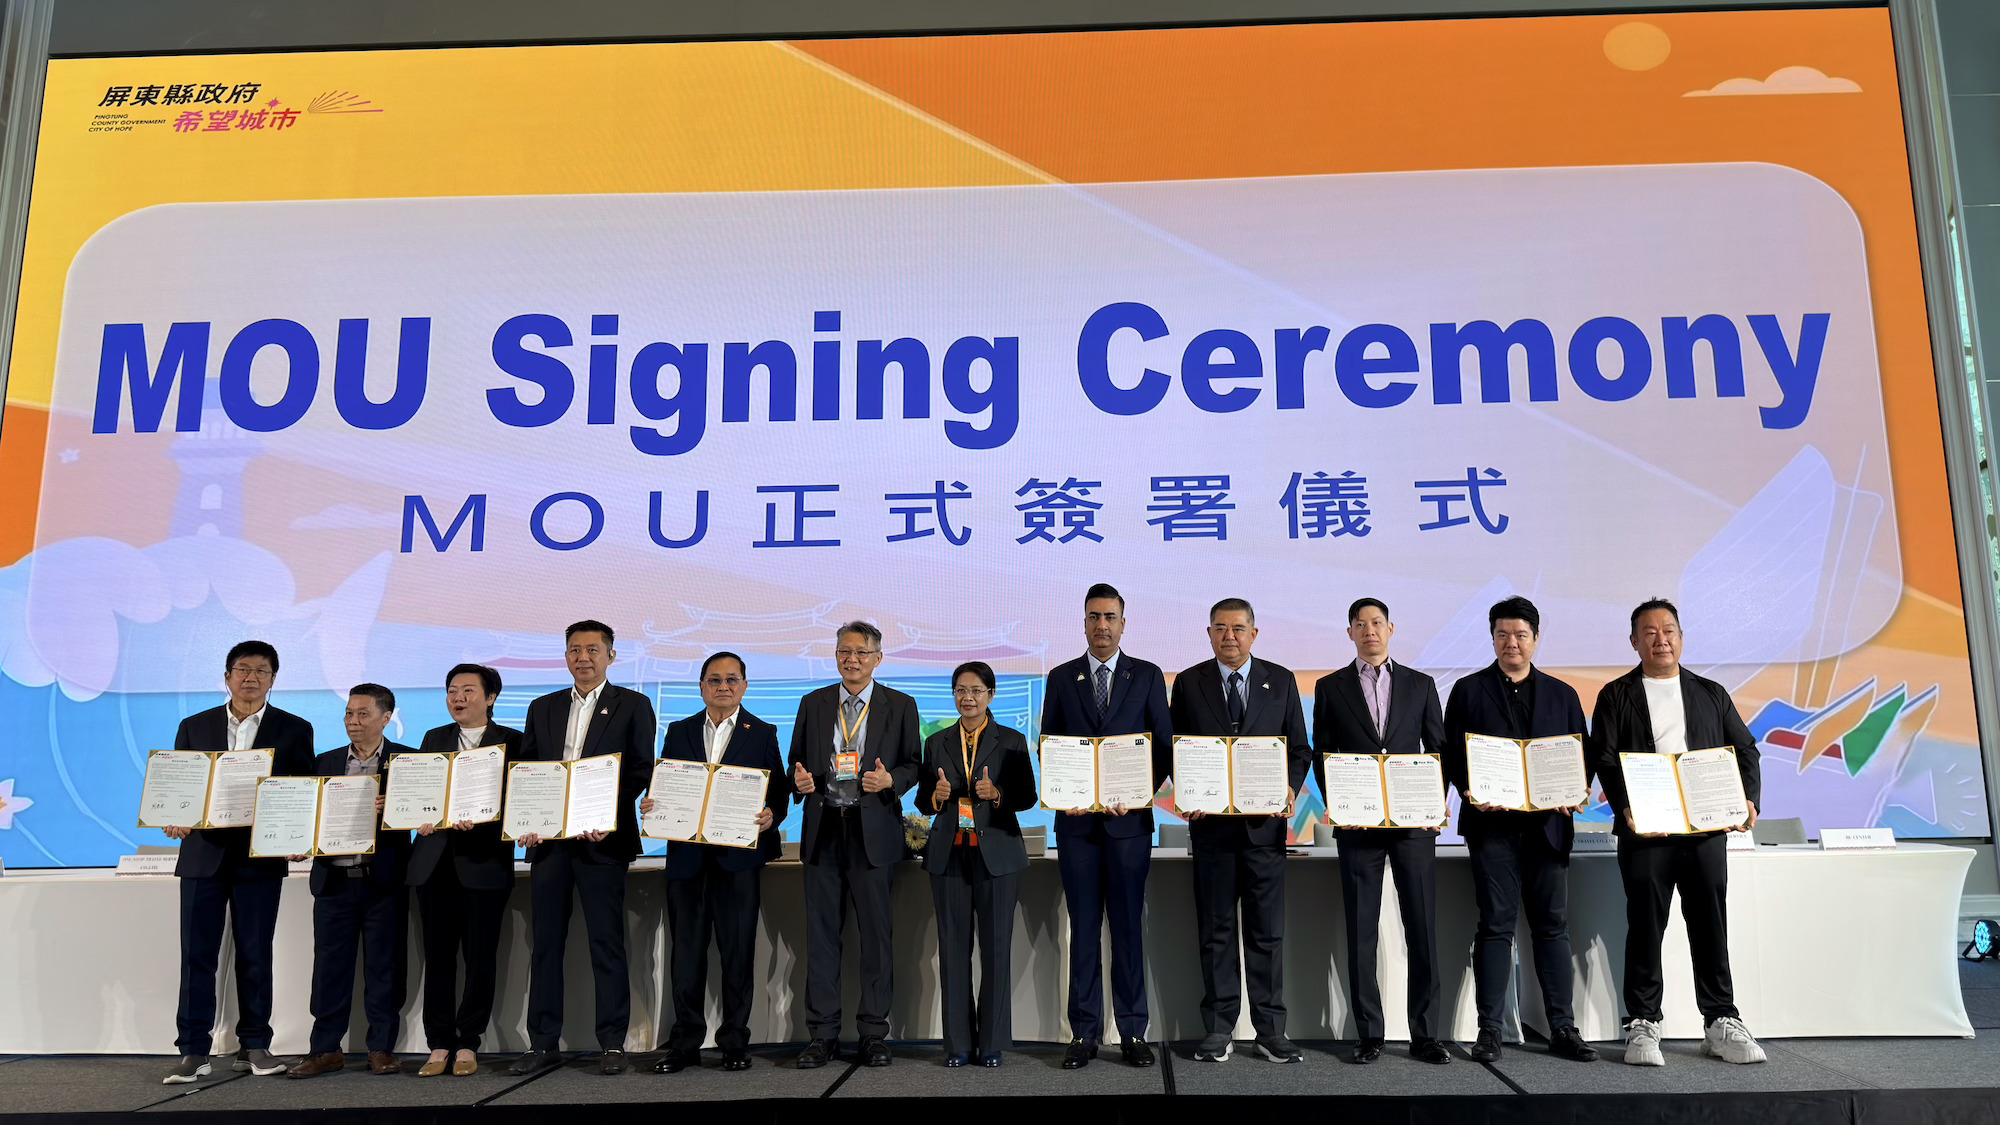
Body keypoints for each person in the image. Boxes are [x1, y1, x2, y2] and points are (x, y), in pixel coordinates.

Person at [1587, 598, 1765, 1067]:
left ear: (1681, 638)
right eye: (1649, 632)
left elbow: (1745, 749)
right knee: (1646, 926)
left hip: (1705, 832)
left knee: (1710, 925)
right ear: (1634, 642)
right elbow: (1604, 757)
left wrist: (1748, 799)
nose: (1660, 640)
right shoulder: (1615, 695)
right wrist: (1626, 806)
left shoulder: (1710, 692)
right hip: (1646, 832)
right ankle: (1643, 1022)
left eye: (1668, 631)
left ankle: (1720, 1020)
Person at [1440, 597, 1596, 1064]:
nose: (1512, 643)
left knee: (1552, 927)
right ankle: (1490, 1029)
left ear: (1536, 639)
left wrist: (1576, 789)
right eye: (1503, 634)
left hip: (1549, 828)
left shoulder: (1562, 694)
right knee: (1495, 926)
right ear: (1492, 638)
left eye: (1521, 635)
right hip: (1493, 829)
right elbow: (1451, 755)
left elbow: (1580, 755)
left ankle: (1562, 1028)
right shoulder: (1468, 690)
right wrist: (1469, 789)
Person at [161, 641, 316, 1085]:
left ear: (273, 679)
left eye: (261, 670)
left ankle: (255, 1045)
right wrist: (173, 814)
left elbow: (302, 790)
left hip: (259, 858)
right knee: (197, 956)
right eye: (243, 669)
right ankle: (194, 1050)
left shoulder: (294, 728)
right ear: (227, 676)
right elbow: (179, 785)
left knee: (255, 954)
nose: (251, 677)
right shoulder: (194, 725)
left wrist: (298, 837)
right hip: (202, 857)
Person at [509, 620, 659, 1077]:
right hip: (550, 846)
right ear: (566, 656)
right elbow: (528, 769)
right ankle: (542, 1044)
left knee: (606, 943)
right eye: (575, 649)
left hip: (602, 842)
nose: (583, 657)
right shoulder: (543, 707)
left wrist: (604, 815)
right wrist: (527, 820)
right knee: (545, 944)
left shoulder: (633, 705)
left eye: (593, 649)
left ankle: (612, 1043)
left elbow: (640, 769)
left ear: (611, 656)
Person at [1167, 597, 1311, 1064]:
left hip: (1264, 831)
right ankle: (1219, 1029)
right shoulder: (1189, 682)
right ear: (1209, 633)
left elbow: (1299, 749)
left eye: (1238, 628)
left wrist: (1290, 787)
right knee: (1216, 933)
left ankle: (1270, 1030)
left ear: (1254, 633)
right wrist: (1186, 791)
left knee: (1266, 935)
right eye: (1220, 628)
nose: (1229, 636)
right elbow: (1175, 748)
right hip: (1211, 831)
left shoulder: (1281, 680)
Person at [1312, 598, 1451, 1066]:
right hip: (1359, 825)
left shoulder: (1420, 684)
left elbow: (1438, 748)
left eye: (1376, 623)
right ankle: (1370, 1033)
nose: (1369, 630)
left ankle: (1426, 1034)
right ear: (1349, 632)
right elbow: (1323, 753)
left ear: (1391, 628)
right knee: (1361, 931)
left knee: (1422, 928)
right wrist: (1339, 804)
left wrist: (1434, 801)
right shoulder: (1330, 687)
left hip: (1414, 826)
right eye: (1360, 624)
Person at [1039, 582, 1171, 1069]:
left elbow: (1163, 748)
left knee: (1128, 929)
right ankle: (1084, 1032)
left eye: (1110, 617)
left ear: (1123, 623)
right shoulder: (1061, 677)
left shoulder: (1147, 675)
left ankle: (1133, 1031)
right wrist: (1064, 793)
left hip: (1128, 827)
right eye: (1094, 617)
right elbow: (1050, 745)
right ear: (1084, 623)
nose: (1102, 625)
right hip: (1076, 829)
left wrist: (1137, 793)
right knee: (1084, 929)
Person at [639, 652, 788, 1074]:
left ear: (744, 686)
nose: (723, 686)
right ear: (702, 686)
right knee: (686, 954)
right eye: (714, 680)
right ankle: (685, 1043)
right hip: (687, 861)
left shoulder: (762, 732)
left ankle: (735, 1041)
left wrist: (771, 815)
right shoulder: (679, 729)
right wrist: (652, 803)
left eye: (731, 680)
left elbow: (777, 791)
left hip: (738, 861)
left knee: (738, 954)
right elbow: (664, 785)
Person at [788, 620, 921, 1069]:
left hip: (873, 834)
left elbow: (913, 764)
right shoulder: (814, 702)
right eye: (845, 651)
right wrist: (799, 779)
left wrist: (891, 781)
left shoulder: (900, 705)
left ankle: (873, 1033)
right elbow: (795, 761)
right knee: (822, 938)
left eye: (862, 652)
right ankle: (822, 1035)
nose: (852, 659)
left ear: (877, 659)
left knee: (876, 939)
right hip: (824, 829)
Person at [290, 685, 414, 1078]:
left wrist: (396, 808)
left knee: (385, 967)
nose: (353, 722)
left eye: (363, 714)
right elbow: (306, 815)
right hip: (334, 882)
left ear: (386, 718)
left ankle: (381, 1048)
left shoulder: (408, 762)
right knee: (329, 969)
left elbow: (426, 815)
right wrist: (298, 843)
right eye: (348, 713)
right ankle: (325, 1049)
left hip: (383, 882)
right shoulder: (324, 762)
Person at [918, 661, 1037, 1067]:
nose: (967, 698)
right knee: (952, 951)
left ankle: (991, 1042)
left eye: (976, 691)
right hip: (949, 854)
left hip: (998, 855)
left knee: (996, 949)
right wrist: (935, 796)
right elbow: (922, 800)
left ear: (991, 695)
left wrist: (997, 793)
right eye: (960, 691)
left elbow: (1027, 796)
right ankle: (957, 1043)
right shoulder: (937, 741)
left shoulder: (1012, 740)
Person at [406, 664, 523, 1078]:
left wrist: (492, 817)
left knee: (480, 958)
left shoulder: (514, 741)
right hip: (435, 863)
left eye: (468, 690)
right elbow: (421, 793)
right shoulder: (433, 738)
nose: (458, 698)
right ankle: (439, 1042)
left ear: (490, 698)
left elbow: (522, 798)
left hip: (484, 863)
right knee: (438, 958)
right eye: (452, 690)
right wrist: (417, 815)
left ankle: (468, 1041)